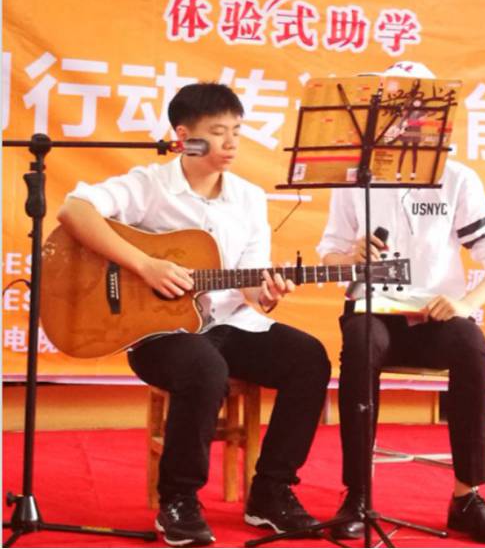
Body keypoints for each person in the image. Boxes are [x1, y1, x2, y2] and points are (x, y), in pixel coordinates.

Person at [57, 82, 331, 547]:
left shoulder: (249, 197)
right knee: (205, 366)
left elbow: (250, 282)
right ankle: (179, 500)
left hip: (229, 323)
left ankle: (271, 492)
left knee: (308, 358)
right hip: (158, 332)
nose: (231, 143)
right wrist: (145, 265)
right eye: (218, 132)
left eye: (237, 132)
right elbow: (73, 210)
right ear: (184, 136)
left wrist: (267, 293)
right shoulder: (149, 185)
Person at [317, 61, 485, 545]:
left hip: (434, 319)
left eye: (419, 109)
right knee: (360, 342)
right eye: (395, 109)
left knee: (470, 344)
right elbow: (330, 253)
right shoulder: (356, 178)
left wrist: (465, 303)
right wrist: (350, 255)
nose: (408, 120)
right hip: (373, 313)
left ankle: (466, 497)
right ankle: (357, 497)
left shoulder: (457, 178)